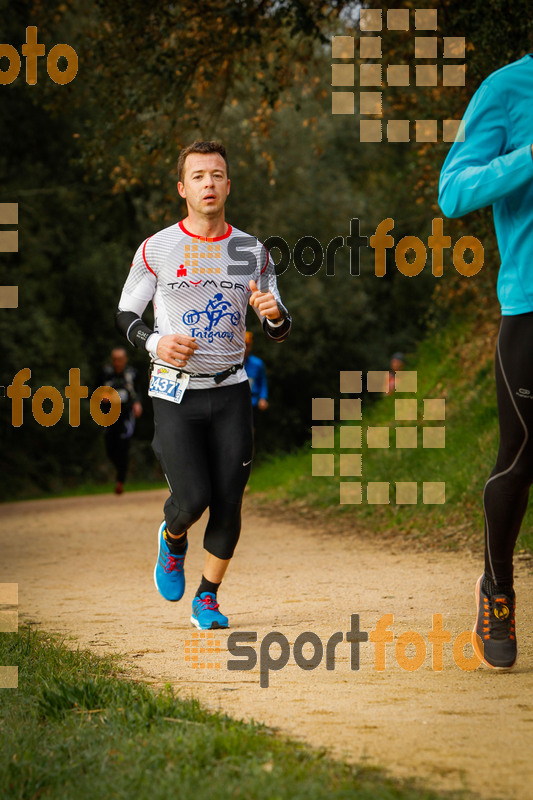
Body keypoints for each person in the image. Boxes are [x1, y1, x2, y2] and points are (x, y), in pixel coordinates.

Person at [115, 140, 291, 630]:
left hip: (232, 388)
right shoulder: (157, 248)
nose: (208, 183)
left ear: (228, 185)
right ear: (182, 188)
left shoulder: (251, 252)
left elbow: (278, 324)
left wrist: (274, 316)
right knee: (192, 499)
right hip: (174, 390)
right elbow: (126, 312)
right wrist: (155, 343)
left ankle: (207, 597)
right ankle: (172, 540)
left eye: (216, 175)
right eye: (198, 176)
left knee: (230, 499)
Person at [439, 54, 533, 669]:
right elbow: (453, 191)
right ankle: (496, 590)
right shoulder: (507, 88)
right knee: (523, 455)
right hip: (531, 305)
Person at [100, 346, 143, 495]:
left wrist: (137, 403)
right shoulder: (105, 373)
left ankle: (120, 481)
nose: (117, 362)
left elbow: (137, 391)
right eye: (115, 359)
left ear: (125, 360)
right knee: (110, 447)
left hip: (126, 414)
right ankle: (119, 468)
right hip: (109, 414)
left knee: (124, 446)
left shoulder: (131, 374)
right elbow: (94, 390)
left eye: (120, 359)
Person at [244, 330, 269, 427]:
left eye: (247, 345)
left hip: (252, 402)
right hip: (235, 401)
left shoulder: (257, 364)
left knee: (250, 429)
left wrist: (263, 398)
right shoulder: (230, 363)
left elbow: (262, 382)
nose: (245, 348)